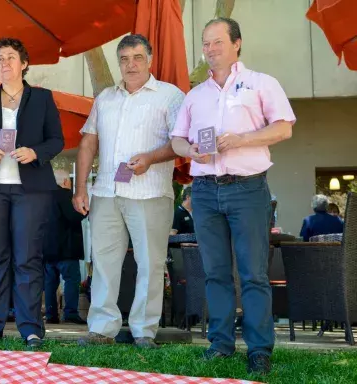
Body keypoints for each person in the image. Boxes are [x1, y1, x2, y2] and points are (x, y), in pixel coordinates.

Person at [170, 18, 295, 374]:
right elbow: (177, 139)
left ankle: (259, 350)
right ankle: (220, 344)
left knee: (254, 273)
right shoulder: (195, 95)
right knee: (215, 272)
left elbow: (284, 127)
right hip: (205, 191)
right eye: (206, 44)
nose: (209, 49)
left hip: (248, 188)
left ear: (237, 44)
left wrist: (241, 139)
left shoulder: (260, 83)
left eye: (217, 42)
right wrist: (190, 150)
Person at [72, 34, 184, 349]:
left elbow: (180, 142)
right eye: (124, 59)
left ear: (149, 59)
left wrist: (151, 158)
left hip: (150, 192)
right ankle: (102, 329)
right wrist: (80, 188)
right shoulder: (105, 97)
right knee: (104, 261)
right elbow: (89, 142)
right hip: (106, 191)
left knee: (150, 263)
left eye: (137, 57)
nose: (130, 64)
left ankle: (144, 331)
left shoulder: (170, 96)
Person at [0, 37, 64, 349]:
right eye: (0, 59)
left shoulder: (43, 98)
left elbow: (56, 140)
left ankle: (31, 328)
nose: (4, 63)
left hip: (31, 189)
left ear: (24, 64)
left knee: (28, 259)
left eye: (10, 57)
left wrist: (35, 152)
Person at [44, 170, 86, 325]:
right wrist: (85, 211)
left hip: (48, 249)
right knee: (71, 280)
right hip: (67, 248)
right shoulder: (65, 195)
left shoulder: (43, 196)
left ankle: (50, 314)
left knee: (50, 283)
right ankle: (70, 313)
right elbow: (72, 216)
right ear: (65, 182)